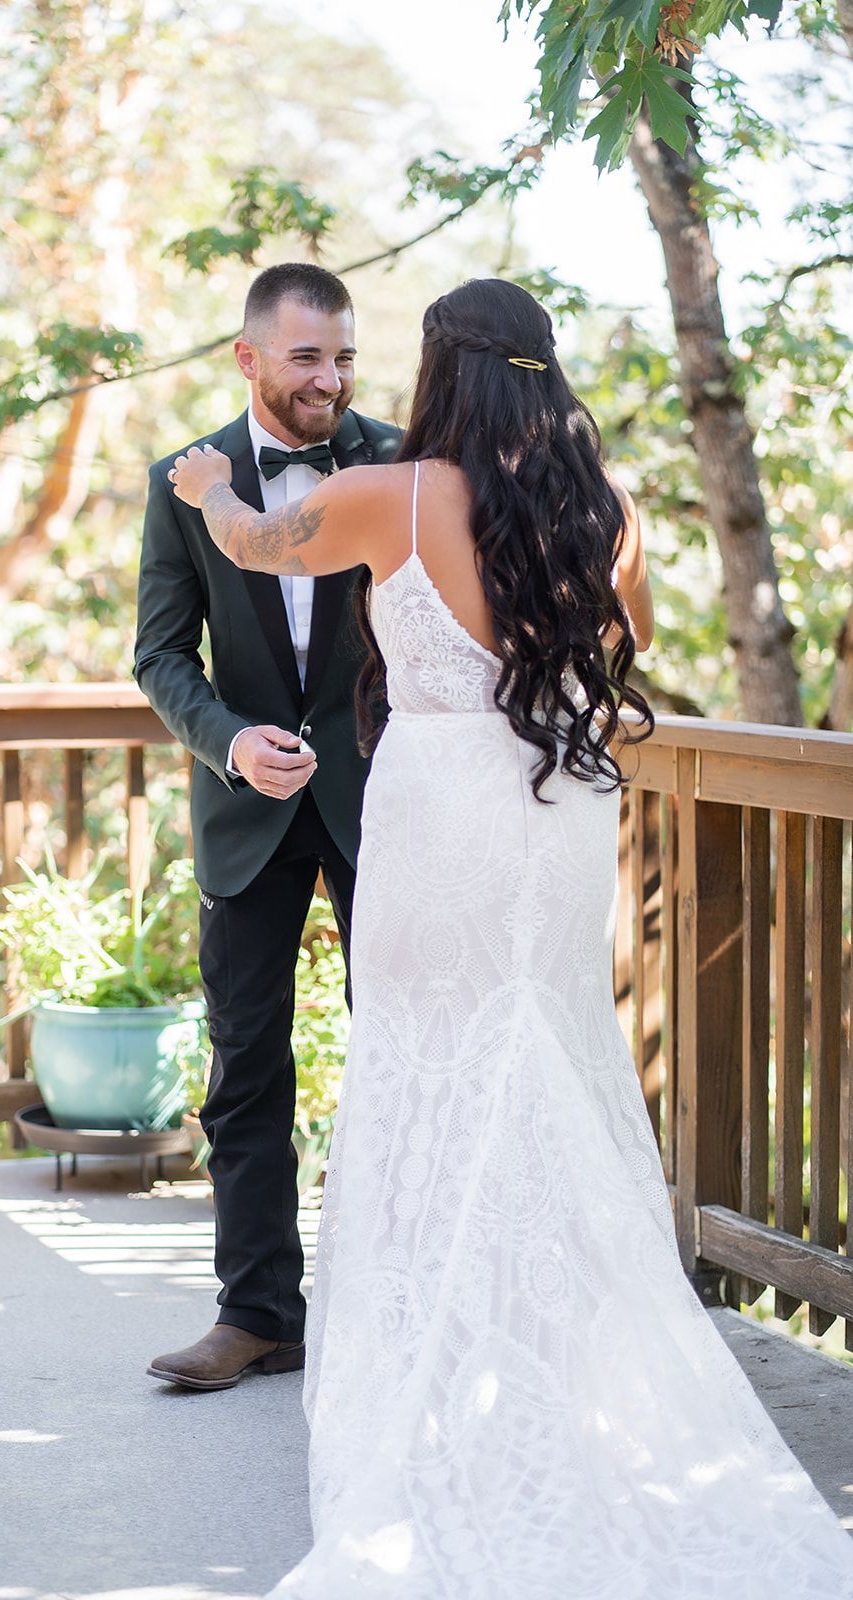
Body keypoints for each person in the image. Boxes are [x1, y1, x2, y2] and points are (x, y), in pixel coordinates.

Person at [168, 278, 853, 1596]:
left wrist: (206, 488)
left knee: (428, 1063)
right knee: (544, 1055)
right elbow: (625, 641)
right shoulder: (605, 509)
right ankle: (555, 1359)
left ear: (443, 371)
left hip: (440, 811)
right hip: (555, 805)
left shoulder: (391, 494)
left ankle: (445, 1360)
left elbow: (257, 546)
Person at [134, 263, 400, 1391]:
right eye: (305, 357)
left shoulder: (402, 463)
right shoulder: (182, 481)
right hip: (245, 809)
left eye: (343, 357)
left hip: (386, 804)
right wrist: (229, 741)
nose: (329, 379)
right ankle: (256, 1315)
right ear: (248, 357)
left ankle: (398, 1305)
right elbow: (159, 655)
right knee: (245, 1066)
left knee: (402, 1051)